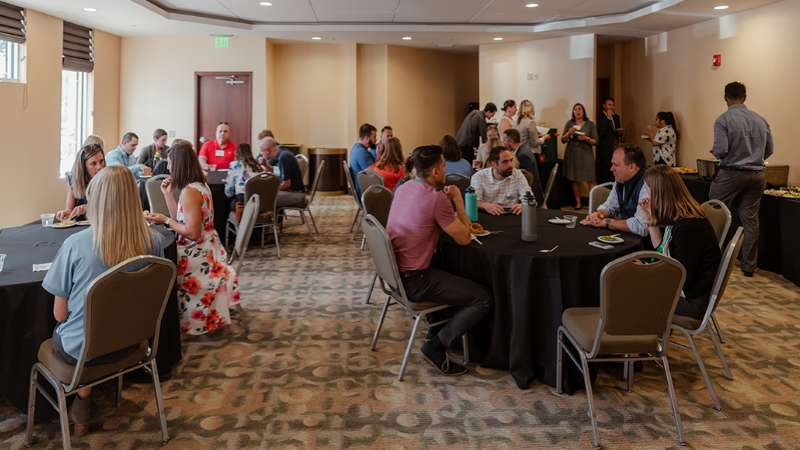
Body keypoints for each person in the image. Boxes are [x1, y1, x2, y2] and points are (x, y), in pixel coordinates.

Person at [43, 165, 166, 436]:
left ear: (95, 200)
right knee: (97, 329)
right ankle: (86, 401)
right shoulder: (154, 242)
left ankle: (81, 406)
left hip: (83, 351)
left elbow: (60, 315)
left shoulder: (76, 245)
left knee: (75, 332)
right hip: (133, 343)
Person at [386, 145, 492, 376]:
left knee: (455, 274)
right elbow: (465, 238)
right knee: (482, 298)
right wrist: (458, 202)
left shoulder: (404, 188)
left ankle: (439, 332)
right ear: (435, 172)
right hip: (415, 280)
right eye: (443, 165)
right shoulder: (436, 200)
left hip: (394, 275)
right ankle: (437, 345)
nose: (446, 169)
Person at [145, 142, 240, 335]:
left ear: (178, 165)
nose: (169, 167)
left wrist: (165, 220)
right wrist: (167, 195)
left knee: (158, 264)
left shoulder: (190, 192)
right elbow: (181, 219)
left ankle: (163, 323)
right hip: (208, 247)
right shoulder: (198, 186)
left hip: (198, 253)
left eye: (171, 163)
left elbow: (192, 233)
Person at [640, 165, 722, 319]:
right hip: (688, 291)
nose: (645, 195)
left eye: (647, 189)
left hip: (692, 300)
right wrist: (651, 222)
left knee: (625, 291)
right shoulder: (678, 217)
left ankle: (643, 339)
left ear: (659, 193)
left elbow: (680, 278)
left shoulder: (688, 226)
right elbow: (663, 253)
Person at [709, 81, 773, 277]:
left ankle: (710, 260)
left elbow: (721, 150)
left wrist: (715, 151)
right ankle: (749, 266)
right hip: (756, 174)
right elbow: (769, 150)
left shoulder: (723, 120)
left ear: (725, 97)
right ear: (745, 97)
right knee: (750, 220)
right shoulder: (761, 120)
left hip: (731, 173)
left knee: (712, 212)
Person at [582, 146, 649, 237]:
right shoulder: (621, 181)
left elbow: (642, 226)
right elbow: (610, 206)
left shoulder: (647, 185)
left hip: (645, 245)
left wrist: (607, 222)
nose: (611, 169)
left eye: (616, 165)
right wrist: (599, 214)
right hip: (625, 235)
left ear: (632, 167)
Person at [470, 147, 530, 215]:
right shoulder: (479, 176)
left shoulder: (517, 174)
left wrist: (523, 205)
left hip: (512, 215)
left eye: (511, 160)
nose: (510, 165)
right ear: (493, 164)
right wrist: (485, 205)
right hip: (488, 215)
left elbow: (529, 198)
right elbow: (473, 201)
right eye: (505, 161)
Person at [562, 102, 598, 209]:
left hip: (586, 154)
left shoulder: (590, 124)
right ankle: (578, 203)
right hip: (572, 154)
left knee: (590, 178)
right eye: (575, 109)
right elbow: (563, 140)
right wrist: (569, 133)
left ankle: (593, 204)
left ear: (583, 111)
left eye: (579, 109)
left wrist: (586, 138)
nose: (577, 111)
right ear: (573, 112)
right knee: (575, 179)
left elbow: (596, 141)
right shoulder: (569, 123)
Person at [56, 143, 105, 221]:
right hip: (80, 225)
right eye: (93, 163)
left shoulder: (108, 179)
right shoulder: (73, 179)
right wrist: (66, 213)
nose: (99, 167)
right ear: (83, 166)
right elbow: (70, 209)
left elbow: (110, 207)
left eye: (101, 161)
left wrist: (89, 207)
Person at [259, 137, 307, 208]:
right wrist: (266, 165)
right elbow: (279, 172)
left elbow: (286, 184)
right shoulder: (282, 153)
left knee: (264, 197)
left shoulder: (284, 157)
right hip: (293, 191)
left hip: (296, 193)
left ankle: (270, 219)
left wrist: (272, 189)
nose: (261, 154)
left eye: (261, 151)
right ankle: (275, 218)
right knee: (266, 193)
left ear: (267, 151)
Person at [502, 128, 544, 205]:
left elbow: (528, 179)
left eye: (504, 140)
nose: (503, 142)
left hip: (530, 196)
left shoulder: (523, 155)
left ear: (510, 141)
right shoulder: (522, 149)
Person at [225, 143, 262, 209]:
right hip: (258, 200)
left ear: (237, 153)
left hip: (242, 200)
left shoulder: (235, 165)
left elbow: (229, 192)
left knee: (227, 203)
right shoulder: (257, 165)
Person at [596, 98, 622, 184]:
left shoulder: (616, 117)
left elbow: (617, 131)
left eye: (612, 105)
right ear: (604, 106)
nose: (611, 107)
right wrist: (608, 118)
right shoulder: (600, 116)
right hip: (604, 147)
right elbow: (601, 132)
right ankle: (605, 187)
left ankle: (615, 185)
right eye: (609, 104)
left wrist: (620, 132)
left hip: (615, 145)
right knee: (606, 168)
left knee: (615, 167)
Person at [349, 123, 378, 198]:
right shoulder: (361, 152)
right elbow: (375, 173)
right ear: (367, 138)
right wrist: (378, 152)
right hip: (364, 191)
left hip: (361, 187)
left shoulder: (356, 147)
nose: (376, 140)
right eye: (374, 137)